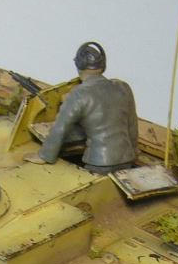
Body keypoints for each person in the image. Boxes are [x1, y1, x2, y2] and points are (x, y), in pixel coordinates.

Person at [26, 42, 139, 174]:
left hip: (98, 162)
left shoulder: (78, 94)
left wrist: (44, 156)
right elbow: (132, 124)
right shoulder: (123, 87)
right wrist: (134, 151)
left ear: (79, 66)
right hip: (126, 158)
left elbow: (60, 128)